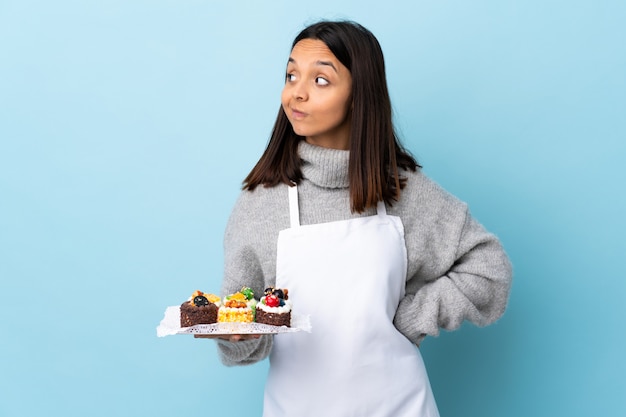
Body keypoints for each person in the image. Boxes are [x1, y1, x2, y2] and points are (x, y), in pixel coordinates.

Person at [200, 20, 512, 416]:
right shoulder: (260, 203)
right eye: (291, 74)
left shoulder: (402, 192)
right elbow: (245, 336)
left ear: (359, 95)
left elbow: (489, 268)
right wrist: (235, 333)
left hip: (401, 407)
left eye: (321, 80)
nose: (297, 91)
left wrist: (414, 317)